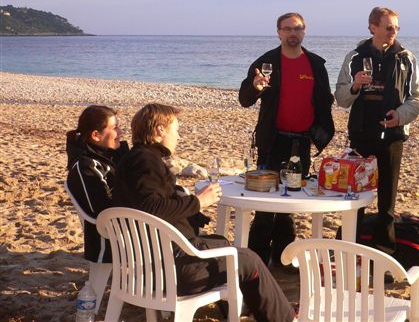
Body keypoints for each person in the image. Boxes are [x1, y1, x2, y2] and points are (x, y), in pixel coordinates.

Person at [113, 104, 295, 322]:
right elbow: (151, 208)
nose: (178, 136)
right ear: (160, 130)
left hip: (148, 265)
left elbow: (151, 203)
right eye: (176, 130)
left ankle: (239, 309)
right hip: (170, 270)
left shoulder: (133, 159)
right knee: (249, 259)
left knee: (221, 242)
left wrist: (191, 210)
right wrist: (198, 202)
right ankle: (286, 319)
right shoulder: (145, 161)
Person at [239, 12, 335, 267]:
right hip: (272, 142)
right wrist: (255, 87)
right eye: (288, 29)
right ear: (279, 32)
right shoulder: (266, 62)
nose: (293, 33)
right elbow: (244, 99)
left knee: (290, 203)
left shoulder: (315, 64)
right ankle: (257, 261)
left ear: (304, 31)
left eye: (297, 28)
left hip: (301, 143)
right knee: (265, 204)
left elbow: (325, 99)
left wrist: (321, 132)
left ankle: (283, 260)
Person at [335, 6, 419, 254]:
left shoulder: (406, 58)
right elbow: (341, 99)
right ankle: (349, 250)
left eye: (396, 27)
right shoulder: (355, 56)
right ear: (372, 28)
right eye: (388, 27)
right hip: (361, 134)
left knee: (387, 202)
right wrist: (355, 86)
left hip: (392, 136)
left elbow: (418, 98)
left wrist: (400, 115)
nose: (393, 32)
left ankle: (386, 253)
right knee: (355, 197)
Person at [66, 105, 129, 263]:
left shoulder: (112, 155)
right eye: (115, 128)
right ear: (96, 135)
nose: (121, 132)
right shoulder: (85, 167)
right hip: (108, 241)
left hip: (125, 228)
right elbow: (103, 212)